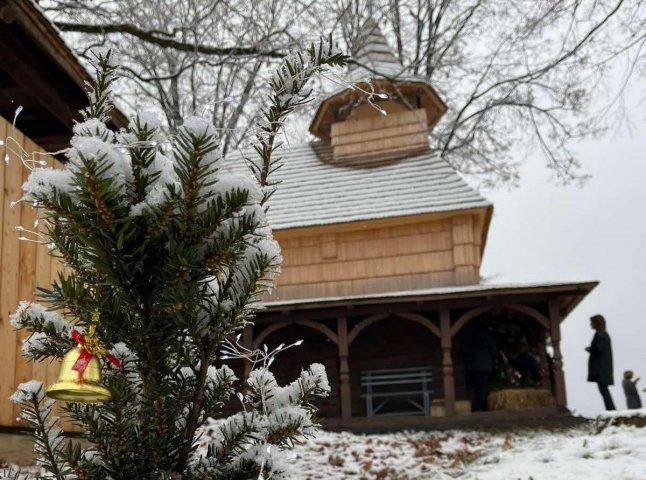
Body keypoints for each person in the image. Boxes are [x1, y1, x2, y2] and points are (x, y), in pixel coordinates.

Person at [465, 320, 498, 412]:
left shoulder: (471, 336)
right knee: (482, 389)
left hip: (472, 366)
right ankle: (480, 409)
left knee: (475, 389)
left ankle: (475, 407)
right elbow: (494, 352)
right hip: (484, 367)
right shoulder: (487, 336)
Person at [586, 314, 616, 410]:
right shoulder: (603, 334)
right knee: (603, 390)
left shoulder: (600, 334)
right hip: (603, 367)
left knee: (603, 390)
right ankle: (611, 409)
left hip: (600, 368)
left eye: (592, 322)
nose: (590, 324)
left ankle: (611, 409)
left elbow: (598, 349)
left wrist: (590, 349)